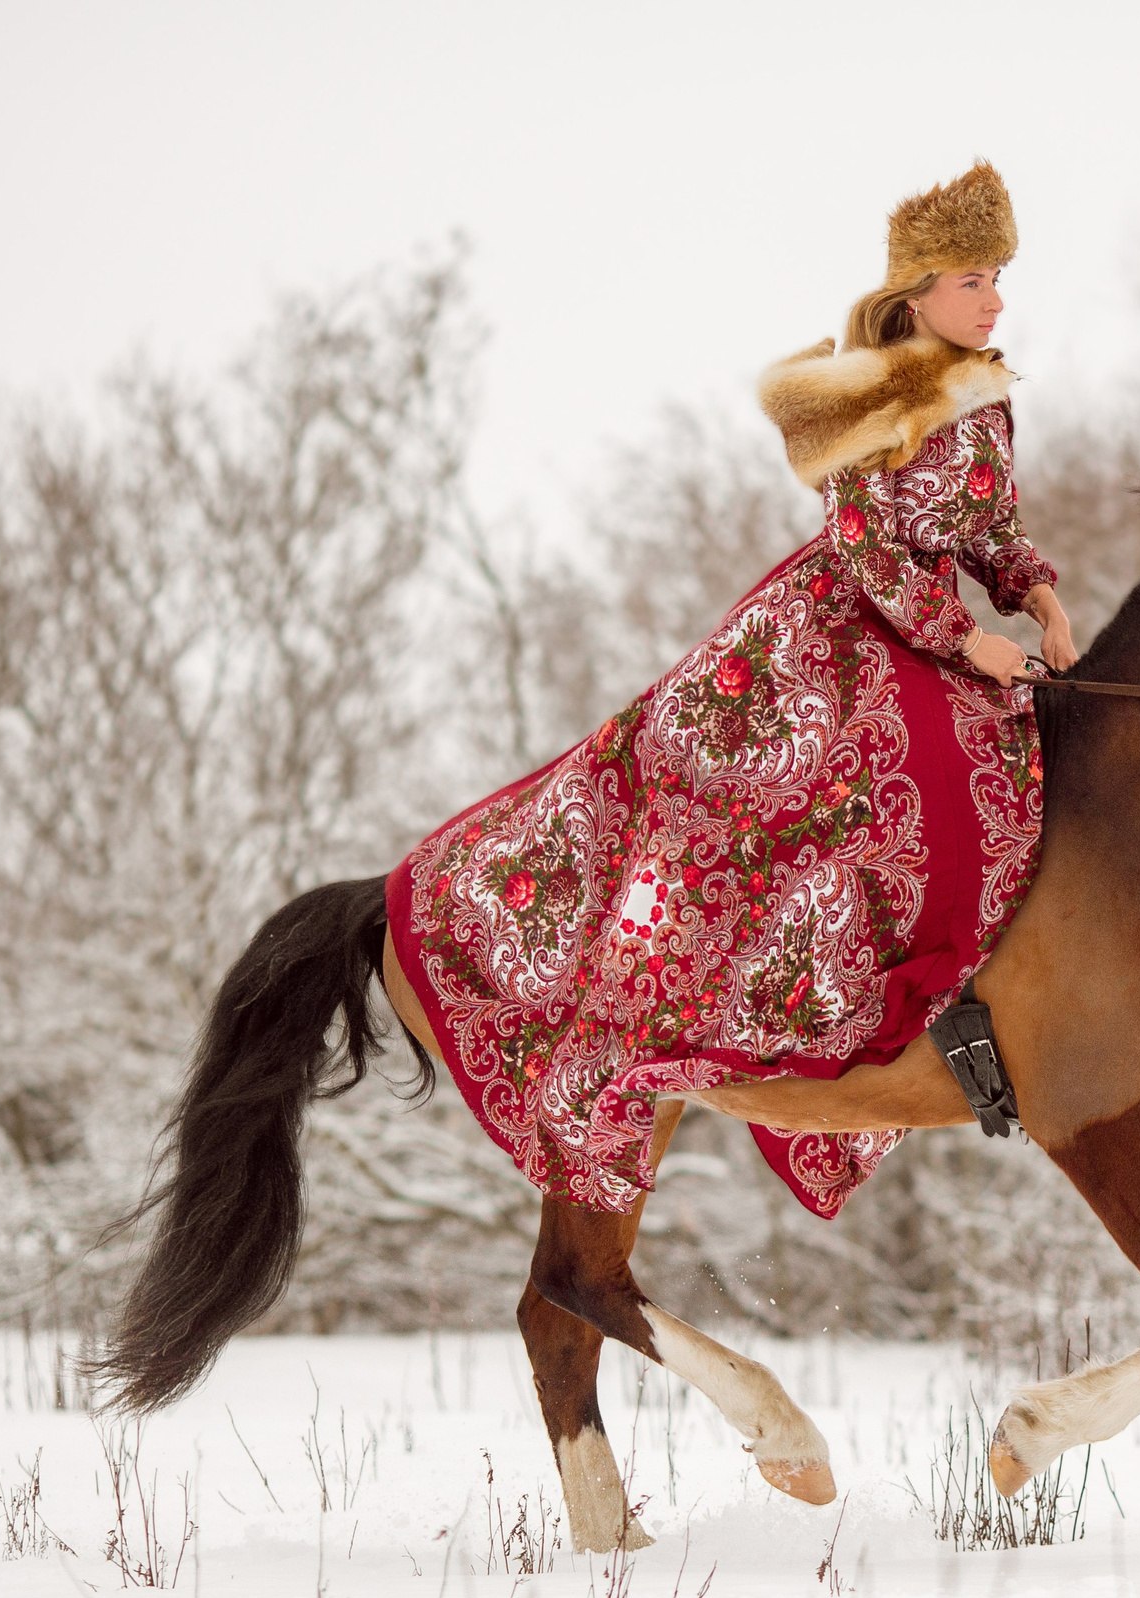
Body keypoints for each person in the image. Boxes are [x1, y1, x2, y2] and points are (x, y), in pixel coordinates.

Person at [385, 161, 1071, 1218]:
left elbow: (989, 533)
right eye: (974, 281)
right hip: (845, 629)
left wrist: (1038, 597)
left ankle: (982, 1000)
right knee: (918, 788)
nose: (995, 301)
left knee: (1037, 767)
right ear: (916, 294)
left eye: (998, 280)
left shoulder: (987, 396)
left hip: (942, 632)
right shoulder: (866, 395)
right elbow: (866, 550)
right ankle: (888, 1016)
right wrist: (971, 641)